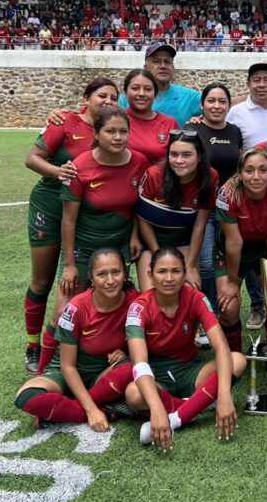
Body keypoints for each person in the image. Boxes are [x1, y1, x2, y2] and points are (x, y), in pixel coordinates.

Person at [22, 76, 119, 374]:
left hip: (82, 213)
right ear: (87, 97)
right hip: (51, 207)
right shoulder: (64, 121)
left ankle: (79, 347)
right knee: (43, 279)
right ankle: (33, 345)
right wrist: (59, 171)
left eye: (114, 97)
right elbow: (32, 159)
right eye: (102, 95)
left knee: (77, 284)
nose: (108, 101)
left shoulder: (113, 126)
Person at [49, 107, 148, 371]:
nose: (117, 137)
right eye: (110, 131)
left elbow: (139, 206)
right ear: (96, 133)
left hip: (119, 248)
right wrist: (69, 264)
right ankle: (47, 369)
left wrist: (136, 236)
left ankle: (112, 364)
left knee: (118, 309)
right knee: (62, 315)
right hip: (83, 249)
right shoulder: (79, 167)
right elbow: (68, 219)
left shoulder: (139, 162)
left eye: (123, 131)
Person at [124, 247, 248, 449]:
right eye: (162, 271)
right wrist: (156, 408)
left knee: (237, 360)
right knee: (133, 394)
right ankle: (201, 402)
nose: (169, 278)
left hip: (190, 371)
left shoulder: (196, 298)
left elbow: (221, 347)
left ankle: (177, 418)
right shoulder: (139, 307)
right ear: (150, 274)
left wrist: (224, 395)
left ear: (184, 274)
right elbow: (139, 364)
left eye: (176, 271)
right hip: (157, 377)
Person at [14, 248, 139, 429]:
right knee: (26, 396)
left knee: (134, 364)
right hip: (69, 374)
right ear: (91, 277)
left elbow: (145, 343)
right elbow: (67, 366)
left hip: (104, 374)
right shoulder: (76, 308)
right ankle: (103, 409)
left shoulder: (136, 301)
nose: (110, 281)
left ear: (125, 273)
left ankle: (66, 409)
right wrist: (91, 410)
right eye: (102, 274)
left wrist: (125, 351)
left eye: (116, 272)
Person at [216, 148, 267, 342]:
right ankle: (232, 357)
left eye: (263, 170)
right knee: (229, 306)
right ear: (240, 174)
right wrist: (233, 282)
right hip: (230, 250)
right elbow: (234, 243)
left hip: (263, 249)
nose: (256, 176)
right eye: (249, 170)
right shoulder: (228, 192)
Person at [136, 129, 218, 291]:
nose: (179, 160)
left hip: (182, 240)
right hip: (152, 240)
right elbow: (143, 220)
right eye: (174, 155)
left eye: (187, 155)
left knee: (189, 288)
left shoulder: (210, 177)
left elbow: (199, 225)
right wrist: (159, 256)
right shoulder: (153, 175)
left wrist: (191, 266)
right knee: (152, 292)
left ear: (199, 156)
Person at [193, 83, 244, 308]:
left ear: (228, 105)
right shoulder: (192, 130)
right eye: (211, 101)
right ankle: (207, 312)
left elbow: (240, 166)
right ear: (202, 104)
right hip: (203, 207)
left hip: (232, 208)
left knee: (239, 256)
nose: (216, 106)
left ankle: (250, 305)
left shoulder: (234, 131)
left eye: (222, 101)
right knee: (205, 263)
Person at [117, 44, 201, 127]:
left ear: (173, 67)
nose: (163, 66)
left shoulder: (189, 97)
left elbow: (212, 106)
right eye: (156, 61)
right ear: (145, 68)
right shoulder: (127, 99)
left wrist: (202, 120)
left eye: (167, 62)